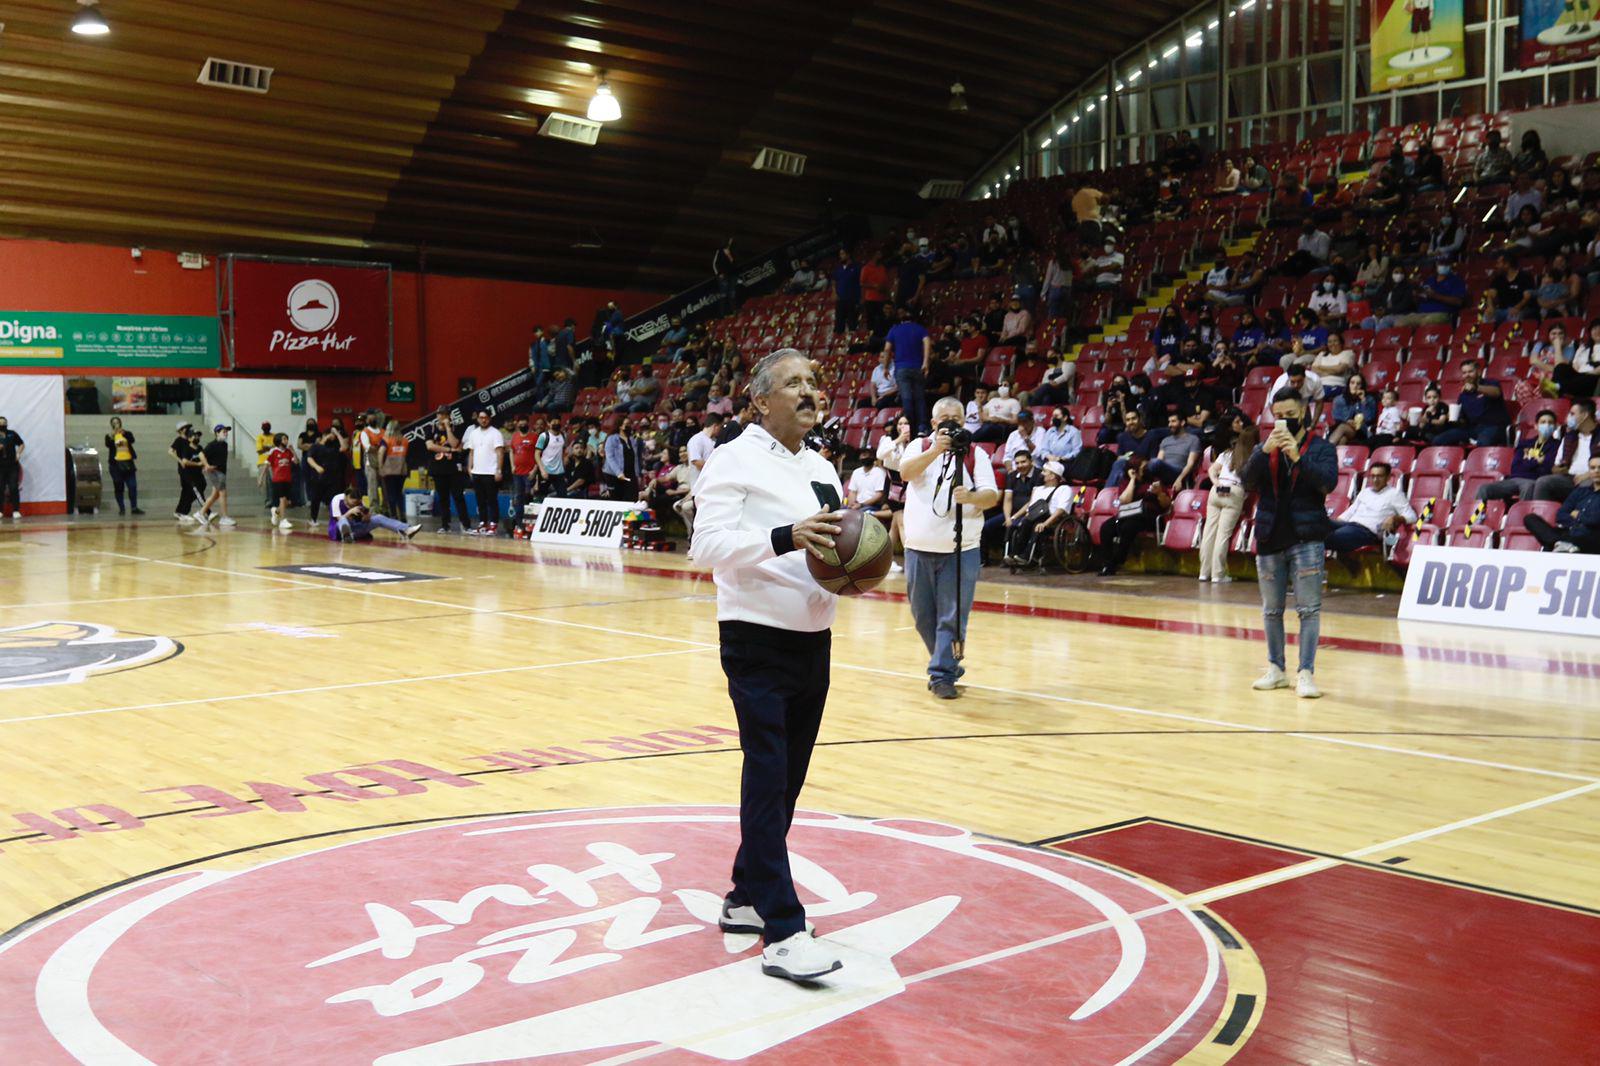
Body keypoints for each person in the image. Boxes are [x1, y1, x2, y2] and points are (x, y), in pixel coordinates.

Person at [688, 348, 846, 983]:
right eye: (793, 384)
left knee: (787, 781)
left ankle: (746, 897)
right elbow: (706, 547)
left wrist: (865, 560)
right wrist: (785, 535)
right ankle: (783, 930)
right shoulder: (734, 458)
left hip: (814, 638)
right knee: (767, 772)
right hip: (755, 638)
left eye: (813, 381)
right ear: (760, 401)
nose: (809, 392)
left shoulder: (824, 466)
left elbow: (833, 548)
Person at [898, 396, 999, 699]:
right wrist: (936, 449)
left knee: (952, 617)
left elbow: (991, 496)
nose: (952, 422)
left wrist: (970, 497)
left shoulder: (975, 454)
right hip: (918, 548)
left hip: (961, 549)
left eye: (958, 417)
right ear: (933, 423)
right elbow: (905, 472)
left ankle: (942, 675)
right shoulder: (919, 447)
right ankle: (949, 663)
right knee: (922, 617)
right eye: (945, 418)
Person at [1243, 387, 1337, 699]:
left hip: (1307, 538)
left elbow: (1328, 483)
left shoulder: (1321, 447)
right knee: (1271, 611)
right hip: (1270, 536)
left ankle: (1306, 673)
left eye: (1291, 416)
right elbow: (1246, 481)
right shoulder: (1264, 447)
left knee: (1308, 610)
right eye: (1279, 417)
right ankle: (1276, 669)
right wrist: (1262, 452)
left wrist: (1298, 458)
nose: (1285, 421)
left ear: (1304, 413)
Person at [1094, 453, 1171, 575]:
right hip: (1128, 514)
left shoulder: (1155, 481)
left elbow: (1166, 504)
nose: (1146, 469)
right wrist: (1133, 480)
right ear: (1134, 469)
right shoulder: (1126, 481)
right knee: (1106, 527)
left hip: (1148, 517)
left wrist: (1159, 493)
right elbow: (1125, 501)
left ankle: (1117, 560)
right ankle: (1107, 562)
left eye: (1146, 466)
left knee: (1128, 527)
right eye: (1143, 467)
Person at [1199, 422, 1256, 582]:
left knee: (1209, 532)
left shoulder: (1227, 453)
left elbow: (1211, 469)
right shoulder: (1251, 458)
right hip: (1234, 491)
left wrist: (1215, 481)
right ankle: (1218, 574)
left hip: (1216, 489)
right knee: (1223, 535)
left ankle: (1204, 572)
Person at [1327, 461, 1415, 553]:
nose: (1375, 480)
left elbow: (1412, 516)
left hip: (1367, 533)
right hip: (1349, 525)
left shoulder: (1395, 494)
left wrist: (1395, 518)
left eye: (1379, 476)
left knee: (1327, 537)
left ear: (1388, 477)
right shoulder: (1365, 492)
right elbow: (1349, 513)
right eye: (1372, 476)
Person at [1476, 411, 1559, 504]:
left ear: (1555, 427)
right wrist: (1537, 462)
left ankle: (1520, 516)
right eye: (1543, 422)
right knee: (1485, 489)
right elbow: (1515, 467)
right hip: (1515, 479)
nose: (1547, 425)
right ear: (1536, 426)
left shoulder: (1557, 446)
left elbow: (1547, 469)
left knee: (1528, 487)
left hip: (1534, 481)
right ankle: (1477, 516)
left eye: (1550, 423)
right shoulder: (1525, 443)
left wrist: (1528, 462)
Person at [1523, 456, 1600, 553]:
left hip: (1591, 538)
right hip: (1569, 533)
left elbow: (1596, 520)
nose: (1596, 471)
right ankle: (1559, 543)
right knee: (1530, 518)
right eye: (1592, 468)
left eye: (1599, 468)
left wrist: (1578, 516)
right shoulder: (1580, 491)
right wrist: (1581, 520)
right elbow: (1561, 514)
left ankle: (1560, 544)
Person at [1533, 399, 1598, 502]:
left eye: (1572, 414)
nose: (1569, 418)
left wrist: (1587, 475)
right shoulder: (1569, 437)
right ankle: (1539, 515)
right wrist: (1559, 469)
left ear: (1585, 415)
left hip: (1592, 477)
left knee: (1588, 484)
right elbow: (1556, 465)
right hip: (1570, 478)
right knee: (1543, 482)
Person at [1434, 360, 1509, 447]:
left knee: (1482, 443)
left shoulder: (1491, 383)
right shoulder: (1463, 395)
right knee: (1438, 440)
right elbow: (1463, 420)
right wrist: (1453, 418)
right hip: (1472, 428)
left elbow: (1496, 392)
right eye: (1464, 373)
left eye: (1470, 371)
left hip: (1494, 426)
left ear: (1479, 372)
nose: (1467, 375)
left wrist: (1476, 388)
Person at [884, 307, 931, 434]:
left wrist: (885, 366)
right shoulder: (920, 328)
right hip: (917, 367)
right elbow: (927, 342)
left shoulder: (894, 329)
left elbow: (887, 349)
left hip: (901, 368)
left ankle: (907, 430)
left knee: (907, 399)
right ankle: (922, 428)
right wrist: (926, 362)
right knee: (920, 398)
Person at [422, 408, 469, 534]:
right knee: (443, 498)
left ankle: (465, 524)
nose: (441, 416)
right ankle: (445, 525)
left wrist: (448, 428)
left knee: (458, 497)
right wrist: (448, 450)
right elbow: (430, 446)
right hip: (438, 468)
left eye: (444, 414)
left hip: (453, 468)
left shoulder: (456, 428)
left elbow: (454, 444)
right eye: (439, 414)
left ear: (449, 416)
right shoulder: (430, 428)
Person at [460, 410, 506, 536]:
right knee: (480, 500)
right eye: (481, 418)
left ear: (489, 419)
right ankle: (483, 523)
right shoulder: (474, 433)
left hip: (490, 472)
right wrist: (470, 467)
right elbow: (471, 452)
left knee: (491, 500)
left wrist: (498, 470)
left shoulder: (495, 433)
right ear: (478, 419)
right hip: (477, 472)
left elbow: (500, 453)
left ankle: (493, 524)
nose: (483, 420)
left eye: (485, 417)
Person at [328, 487, 421, 543]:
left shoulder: (360, 502)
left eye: (356, 502)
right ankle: (346, 535)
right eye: (352, 503)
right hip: (338, 530)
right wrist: (350, 512)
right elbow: (338, 518)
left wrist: (366, 517)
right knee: (343, 520)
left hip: (356, 529)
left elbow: (365, 520)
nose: (354, 505)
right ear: (346, 497)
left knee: (379, 518)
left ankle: (406, 530)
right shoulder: (337, 499)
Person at [195, 424, 236, 528]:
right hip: (216, 472)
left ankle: (200, 513)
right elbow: (201, 454)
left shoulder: (224, 445)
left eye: (227, 432)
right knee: (223, 493)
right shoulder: (212, 444)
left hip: (221, 472)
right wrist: (207, 465)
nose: (226, 433)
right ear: (217, 433)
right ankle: (224, 518)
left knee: (215, 495)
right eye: (224, 431)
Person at [304, 428, 346, 526]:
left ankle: (336, 519)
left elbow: (344, 447)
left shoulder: (334, 447)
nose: (332, 437)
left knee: (333, 499)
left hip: (332, 477)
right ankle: (313, 519)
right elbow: (309, 458)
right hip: (318, 477)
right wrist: (317, 467)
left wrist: (337, 433)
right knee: (316, 499)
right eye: (330, 435)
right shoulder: (316, 446)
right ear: (324, 435)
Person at [104, 417, 143, 516]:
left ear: (120, 423)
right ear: (111, 425)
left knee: (132, 486)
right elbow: (108, 445)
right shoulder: (109, 436)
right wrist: (112, 436)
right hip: (116, 465)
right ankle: (122, 508)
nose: (116, 424)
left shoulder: (127, 433)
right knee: (119, 487)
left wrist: (124, 433)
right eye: (114, 423)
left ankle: (134, 507)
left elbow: (132, 440)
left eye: (117, 422)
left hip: (128, 463)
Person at [169, 421, 205, 524]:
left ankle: (180, 511)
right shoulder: (179, 440)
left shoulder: (189, 440)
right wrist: (180, 461)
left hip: (192, 470)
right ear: (180, 430)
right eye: (185, 427)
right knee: (189, 489)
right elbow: (170, 451)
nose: (187, 429)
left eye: (188, 427)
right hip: (184, 470)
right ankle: (182, 512)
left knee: (188, 490)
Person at [603, 417, 647, 500]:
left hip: (630, 474)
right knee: (617, 500)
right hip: (614, 475)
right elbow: (610, 457)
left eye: (630, 424)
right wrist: (618, 472)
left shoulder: (632, 440)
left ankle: (628, 514)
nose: (629, 426)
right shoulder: (612, 439)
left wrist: (638, 474)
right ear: (620, 426)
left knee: (632, 498)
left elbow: (636, 458)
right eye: (626, 424)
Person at [508, 416, 539, 526]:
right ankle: (519, 523)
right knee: (518, 498)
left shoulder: (534, 437)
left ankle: (531, 522)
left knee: (529, 495)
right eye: (520, 424)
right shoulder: (515, 437)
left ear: (528, 424)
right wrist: (512, 465)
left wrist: (535, 470)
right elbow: (511, 451)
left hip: (529, 473)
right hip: (517, 473)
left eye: (524, 424)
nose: (522, 426)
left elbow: (539, 454)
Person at [378, 418, 408, 520]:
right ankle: (402, 515)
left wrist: (380, 467)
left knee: (390, 494)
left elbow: (381, 452)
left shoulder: (386, 440)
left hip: (389, 471)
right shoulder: (405, 440)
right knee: (399, 493)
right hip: (402, 471)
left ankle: (393, 516)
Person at [266, 432, 296, 531]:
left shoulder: (288, 451)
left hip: (288, 479)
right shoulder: (273, 451)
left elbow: (296, 461)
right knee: (282, 499)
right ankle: (283, 521)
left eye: (287, 439)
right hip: (278, 480)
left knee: (287, 502)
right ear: (279, 440)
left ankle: (276, 512)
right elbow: (267, 465)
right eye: (284, 439)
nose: (286, 441)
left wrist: (293, 450)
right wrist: (261, 478)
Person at [535, 416, 567, 496]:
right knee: (541, 495)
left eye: (558, 422)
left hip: (559, 471)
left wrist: (564, 466)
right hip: (546, 470)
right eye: (554, 422)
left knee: (563, 495)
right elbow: (537, 454)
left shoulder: (563, 435)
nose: (556, 424)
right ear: (549, 424)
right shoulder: (544, 436)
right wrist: (542, 470)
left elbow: (563, 452)